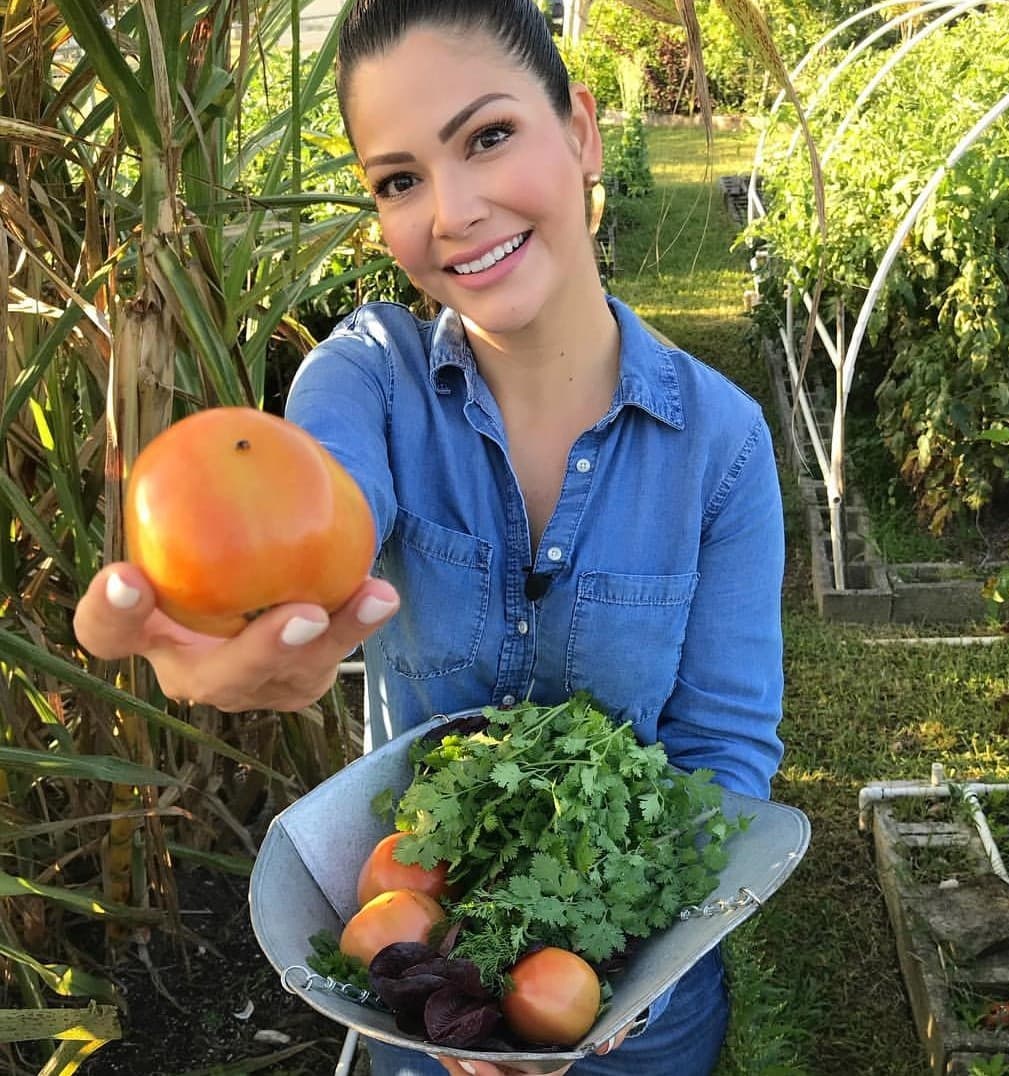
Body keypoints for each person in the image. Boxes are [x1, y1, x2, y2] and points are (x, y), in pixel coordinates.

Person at [74, 1, 786, 1073]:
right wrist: (243, 608)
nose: (451, 211)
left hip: (645, 1008)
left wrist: (616, 981)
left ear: (581, 131)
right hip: (423, 997)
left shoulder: (722, 446)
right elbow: (324, 510)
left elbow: (724, 760)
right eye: (398, 180)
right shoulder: (369, 379)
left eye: (488, 136)